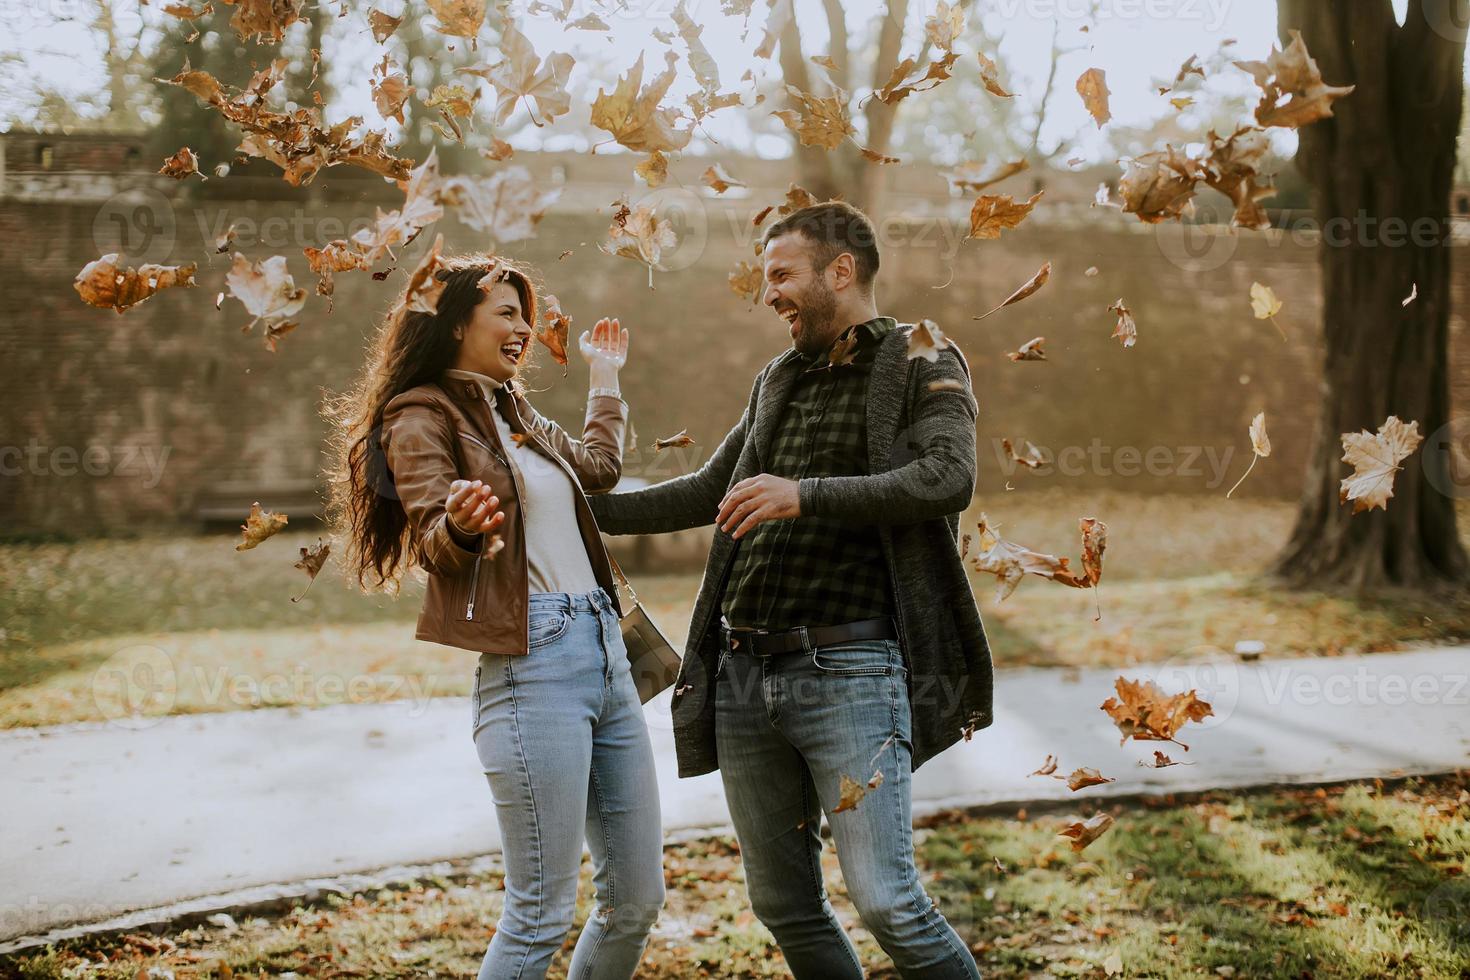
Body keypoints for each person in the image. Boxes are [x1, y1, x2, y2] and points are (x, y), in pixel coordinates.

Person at [587, 202, 992, 978]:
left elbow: (948, 477)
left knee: (889, 904)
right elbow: (709, 489)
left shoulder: (924, 356)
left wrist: (805, 492)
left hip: (852, 673)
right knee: (785, 906)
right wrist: (571, 508)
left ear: (840, 271)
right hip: (742, 678)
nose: (767, 292)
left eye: (782, 275)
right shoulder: (778, 376)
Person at [327, 253, 664, 980]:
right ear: (454, 324)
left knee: (636, 898)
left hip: (606, 653)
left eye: (524, 311)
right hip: (533, 662)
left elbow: (598, 472)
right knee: (539, 910)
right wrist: (461, 524)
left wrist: (605, 383)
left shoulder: (513, 411)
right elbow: (430, 536)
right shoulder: (417, 414)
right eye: (505, 313)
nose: (524, 326)